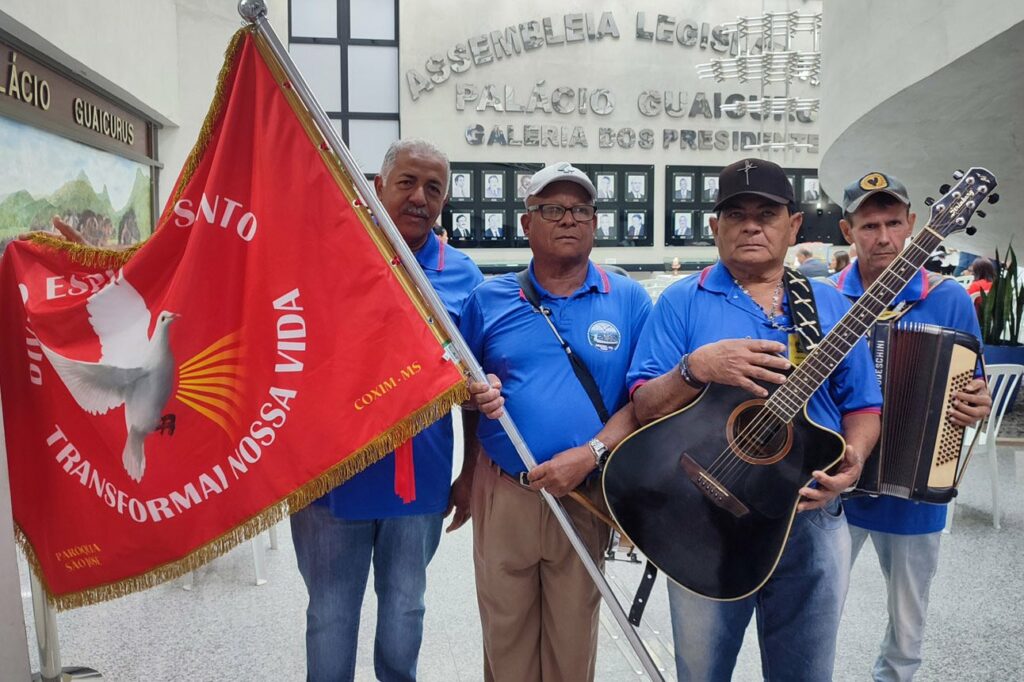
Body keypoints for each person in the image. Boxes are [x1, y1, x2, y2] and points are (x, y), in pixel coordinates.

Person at [627, 158, 882, 681]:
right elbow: (644, 406)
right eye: (735, 214)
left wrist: (853, 464)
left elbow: (863, 406)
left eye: (766, 214)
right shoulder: (680, 302)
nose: (750, 225)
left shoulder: (830, 303)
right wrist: (695, 368)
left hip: (810, 516)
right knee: (701, 673)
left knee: (806, 673)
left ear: (792, 226)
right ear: (714, 228)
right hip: (703, 515)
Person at [290, 139, 485, 682]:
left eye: (434, 188)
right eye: (407, 182)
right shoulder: (327, 257)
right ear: (378, 186)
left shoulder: (463, 278)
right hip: (328, 478)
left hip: (416, 480)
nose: (420, 197)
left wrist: (468, 472)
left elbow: (473, 389)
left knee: (405, 610)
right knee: (329, 615)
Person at [461, 161, 652, 682]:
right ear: (526, 223)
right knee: (506, 642)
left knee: (573, 647)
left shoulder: (629, 299)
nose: (568, 218)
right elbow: (463, 392)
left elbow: (645, 402)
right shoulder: (488, 300)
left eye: (580, 209)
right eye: (552, 208)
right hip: (505, 493)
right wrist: (475, 411)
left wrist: (592, 453)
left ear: (594, 222)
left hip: (585, 495)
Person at [834, 170, 991, 682]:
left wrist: (976, 404)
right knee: (816, 607)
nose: (884, 238)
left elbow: (974, 384)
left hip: (914, 480)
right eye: (869, 225)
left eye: (894, 223)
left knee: (907, 624)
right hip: (835, 479)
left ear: (914, 225)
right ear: (847, 231)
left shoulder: (950, 299)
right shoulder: (824, 295)